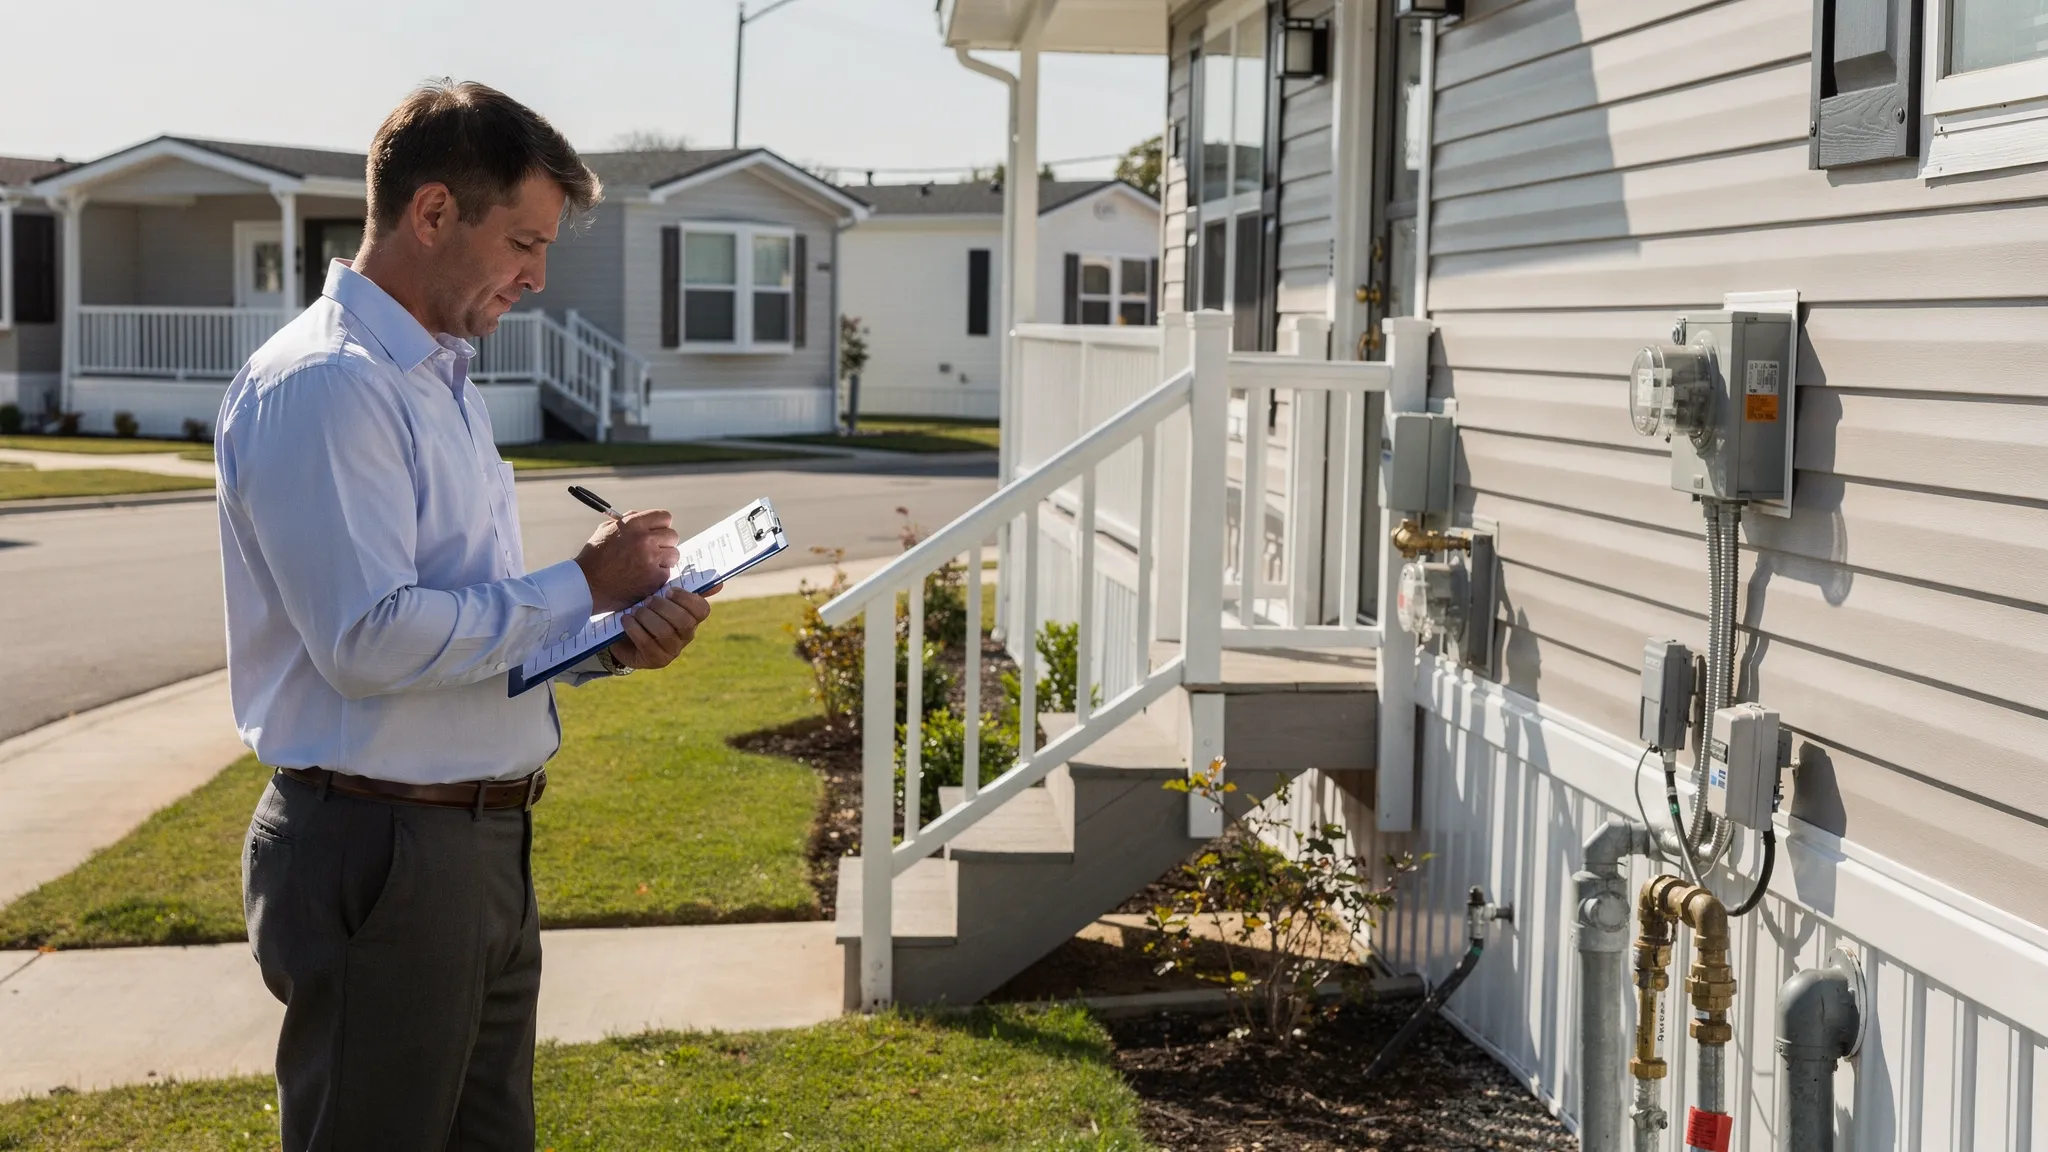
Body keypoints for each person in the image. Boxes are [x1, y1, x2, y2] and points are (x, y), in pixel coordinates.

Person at [215, 80, 710, 1150]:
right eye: (523, 242)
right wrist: (583, 583)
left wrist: (605, 644)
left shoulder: (438, 380)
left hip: (480, 838)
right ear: (432, 213)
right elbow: (368, 641)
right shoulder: (326, 385)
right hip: (383, 844)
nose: (536, 277)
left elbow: (460, 624)